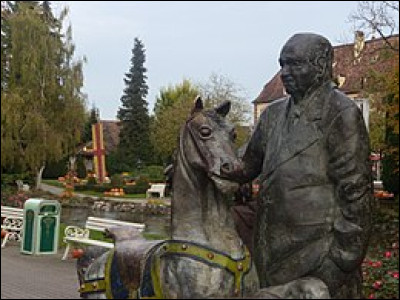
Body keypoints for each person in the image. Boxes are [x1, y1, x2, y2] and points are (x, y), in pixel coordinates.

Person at [224, 33, 372, 298]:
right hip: (271, 254)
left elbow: (356, 198)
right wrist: (204, 151)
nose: (284, 72)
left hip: (318, 263)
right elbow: (244, 167)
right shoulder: (272, 115)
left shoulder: (341, 113)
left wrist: (338, 264)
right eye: (282, 64)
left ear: (320, 65)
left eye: (294, 64)